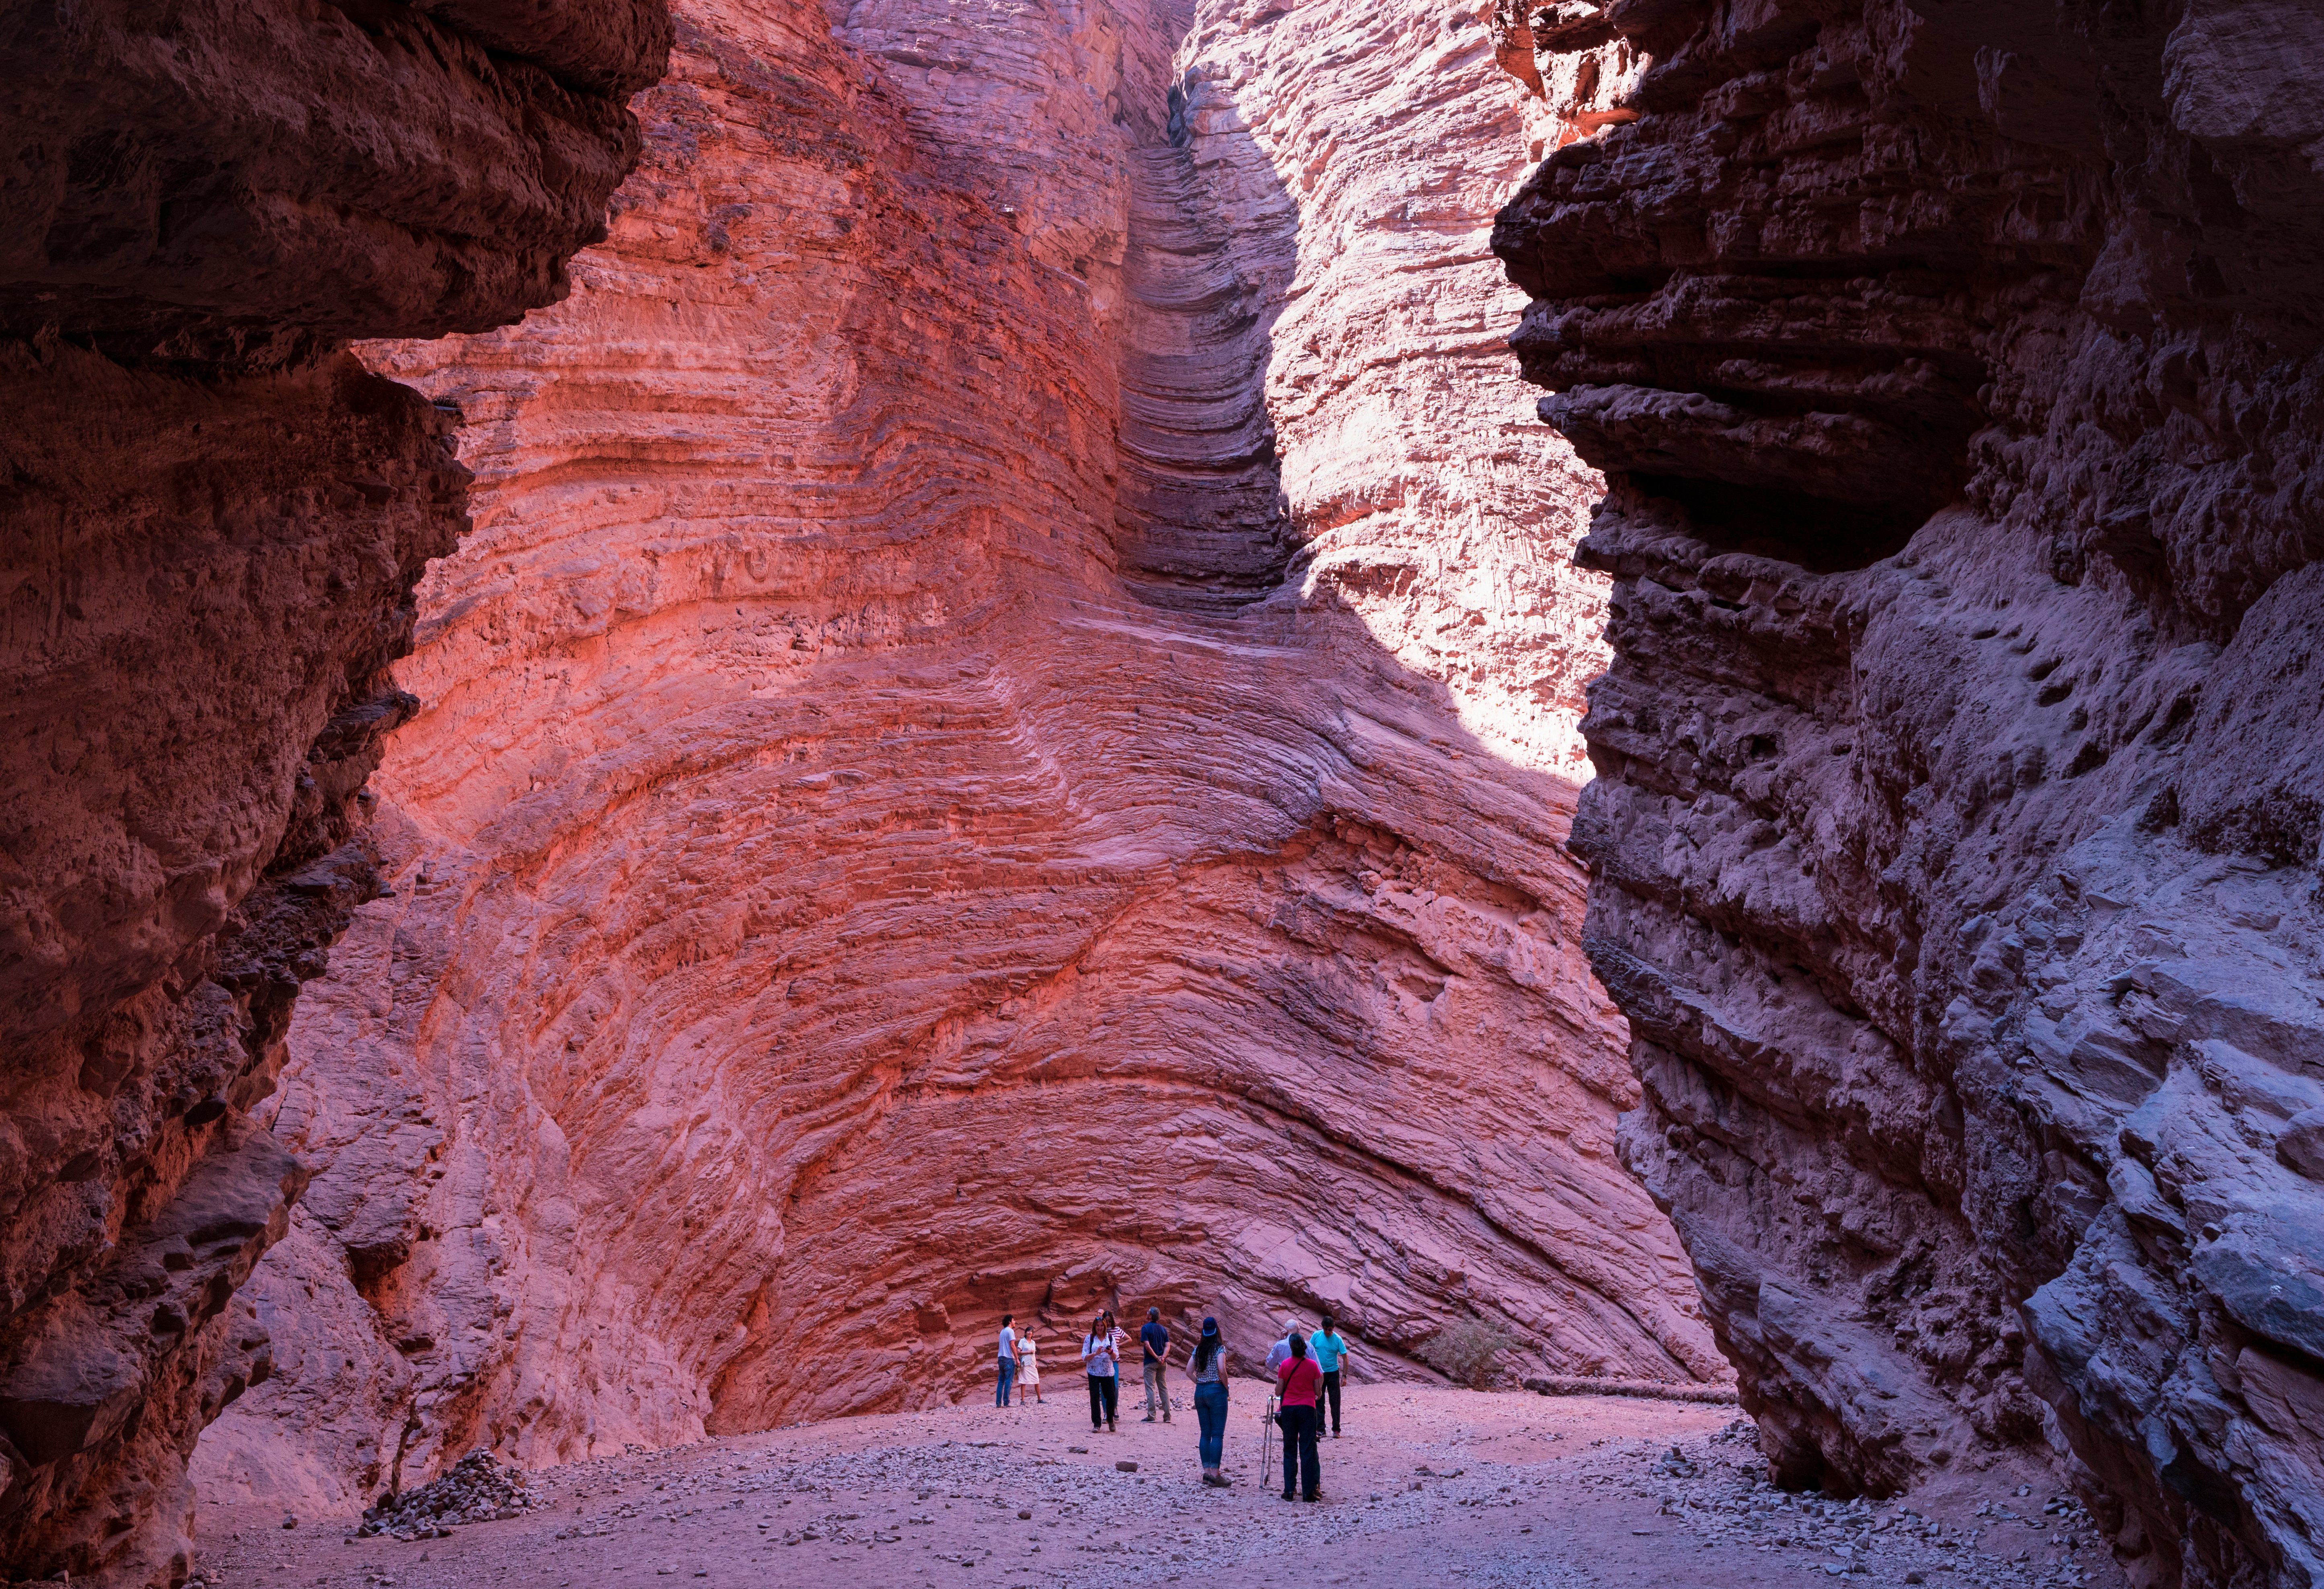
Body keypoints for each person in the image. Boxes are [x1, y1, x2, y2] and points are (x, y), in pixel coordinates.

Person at [1274, 1328, 1323, 1502]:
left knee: (1290, 1449)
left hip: (1289, 1409)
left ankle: (1289, 1490)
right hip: (1308, 1409)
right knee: (1307, 1449)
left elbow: (1279, 1390)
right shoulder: (1313, 1366)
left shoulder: (1286, 1365)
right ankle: (1309, 1492)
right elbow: (1319, 1393)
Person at [1189, 1317, 1231, 1486]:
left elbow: (1188, 1371)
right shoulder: (1220, 1349)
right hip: (1216, 1391)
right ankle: (1216, 1474)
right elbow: (1222, 1369)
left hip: (1200, 1392)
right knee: (1217, 1434)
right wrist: (1226, 1386)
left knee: (1205, 1433)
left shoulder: (1197, 1349)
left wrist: (1199, 1382)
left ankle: (1206, 1473)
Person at [1080, 1309, 1124, 1433]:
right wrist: (1095, 1354)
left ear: (1105, 1327)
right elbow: (1084, 1356)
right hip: (1094, 1372)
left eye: (1102, 1326)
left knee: (1110, 1396)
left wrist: (1110, 1352)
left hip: (1108, 1372)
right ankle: (1097, 1424)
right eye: (1098, 1326)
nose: (1100, 1328)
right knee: (1094, 1397)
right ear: (1095, 1327)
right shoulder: (1089, 1339)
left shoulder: (1110, 1338)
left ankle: (1110, 1420)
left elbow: (1116, 1356)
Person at [1311, 1314, 1352, 1437]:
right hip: (1319, 1373)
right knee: (1319, 1400)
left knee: (1335, 1401)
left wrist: (1344, 1376)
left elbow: (1345, 1358)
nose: (1329, 1332)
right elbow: (1310, 1351)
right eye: (1327, 1329)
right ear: (1323, 1327)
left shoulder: (1338, 1339)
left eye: (1331, 1330)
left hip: (1333, 1373)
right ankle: (1321, 1429)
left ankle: (1336, 1429)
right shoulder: (1316, 1336)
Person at [1139, 1307, 1172, 1424]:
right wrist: (1163, 1357)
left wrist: (1156, 1357)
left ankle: (1152, 1416)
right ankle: (1167, 1416)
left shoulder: (1145, 1328)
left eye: (1148, 1313)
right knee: (1163, 1388)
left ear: (1150, 1316)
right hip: (1163, 1363)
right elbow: (1168, 1346)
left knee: (1150, 1389)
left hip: (1150, 1363)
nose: (1146, 1314)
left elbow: (1147, 1346)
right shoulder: (1163, 1329)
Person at [997, 1314, 1020, 1408]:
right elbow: (1012, 1345)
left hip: (1001, 1358)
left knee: (1001, 1381)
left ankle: (998, 1403)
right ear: (1010, 1322)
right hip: (1008, 1358)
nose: (1015, 1322)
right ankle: (1006, 1403)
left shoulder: (1002, 1332)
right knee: (1008, 1381)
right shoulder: (1010, 1331)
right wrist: (1017, 1358)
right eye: (1014, 1320)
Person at [1017, 1326, 1043, 1404]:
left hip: (1032, 1363)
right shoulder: (1022, 1341)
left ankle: (1039, 1399)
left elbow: (1034, 1354)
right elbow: (1019, 1351)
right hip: (1025, 1363)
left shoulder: (1033, 1343)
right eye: (1028, 1331)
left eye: (1031, 1331)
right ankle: (1023, 1400)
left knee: (1037, 1380)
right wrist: (1028, 1352)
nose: (1030, 1333)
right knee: (1024, 1381)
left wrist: (1036, 1363)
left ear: (1032, 1334)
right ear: (1025, 1333)